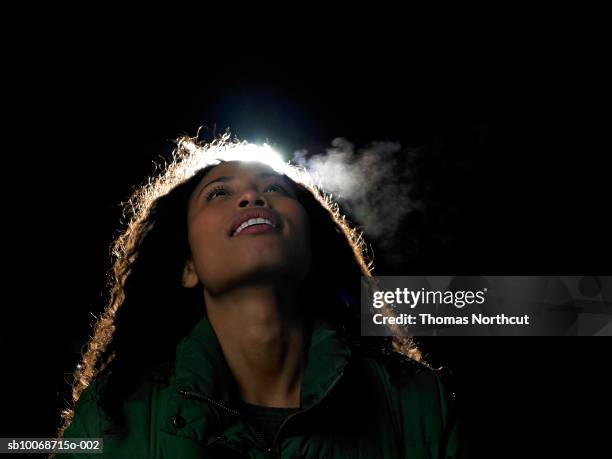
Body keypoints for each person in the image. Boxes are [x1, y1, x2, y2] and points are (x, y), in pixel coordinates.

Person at [54, 134, 464, 458]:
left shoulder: (415, 403)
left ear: (312, 247)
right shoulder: (110, 420)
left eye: (275, 188)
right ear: (188, 268)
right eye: (219, 193)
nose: (252, 197)